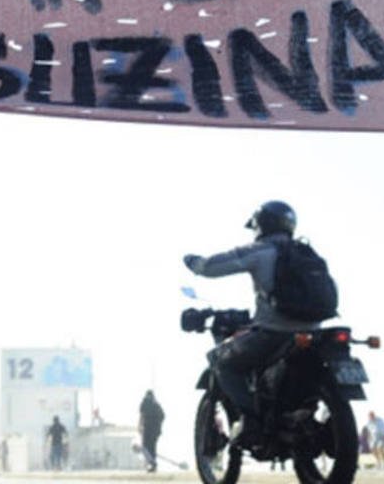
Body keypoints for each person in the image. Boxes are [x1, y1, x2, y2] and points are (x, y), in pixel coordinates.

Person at [183, 200, 325, 447]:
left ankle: (252, 422)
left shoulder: (261, 250)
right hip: (315, 332)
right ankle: (289, 418)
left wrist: (193, 261)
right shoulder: (307, 252)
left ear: (261, 225)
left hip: (274, 333)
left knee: (221, 361)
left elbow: (212, 267)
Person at [138, 390, 164, 472]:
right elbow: (162, 416)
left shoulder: (145, 403)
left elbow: (141, 416)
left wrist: (139, 426)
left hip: (147, 429)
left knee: (145, 447)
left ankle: (152, 463)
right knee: (152, 447)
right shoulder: (156, 405)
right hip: (155, 430)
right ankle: (153, 464)